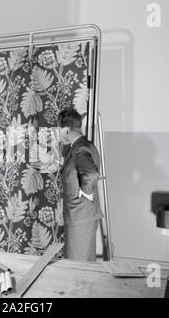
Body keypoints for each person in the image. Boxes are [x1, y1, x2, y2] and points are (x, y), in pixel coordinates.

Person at [58, 109, 103, 261]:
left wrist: (86, 192)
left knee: (77, 267)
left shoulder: (81, 149)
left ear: (65, 130)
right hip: (82, 217)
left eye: (59, 130)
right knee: (85, 265)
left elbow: (90, 174)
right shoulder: (83, 145)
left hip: (80, 218)